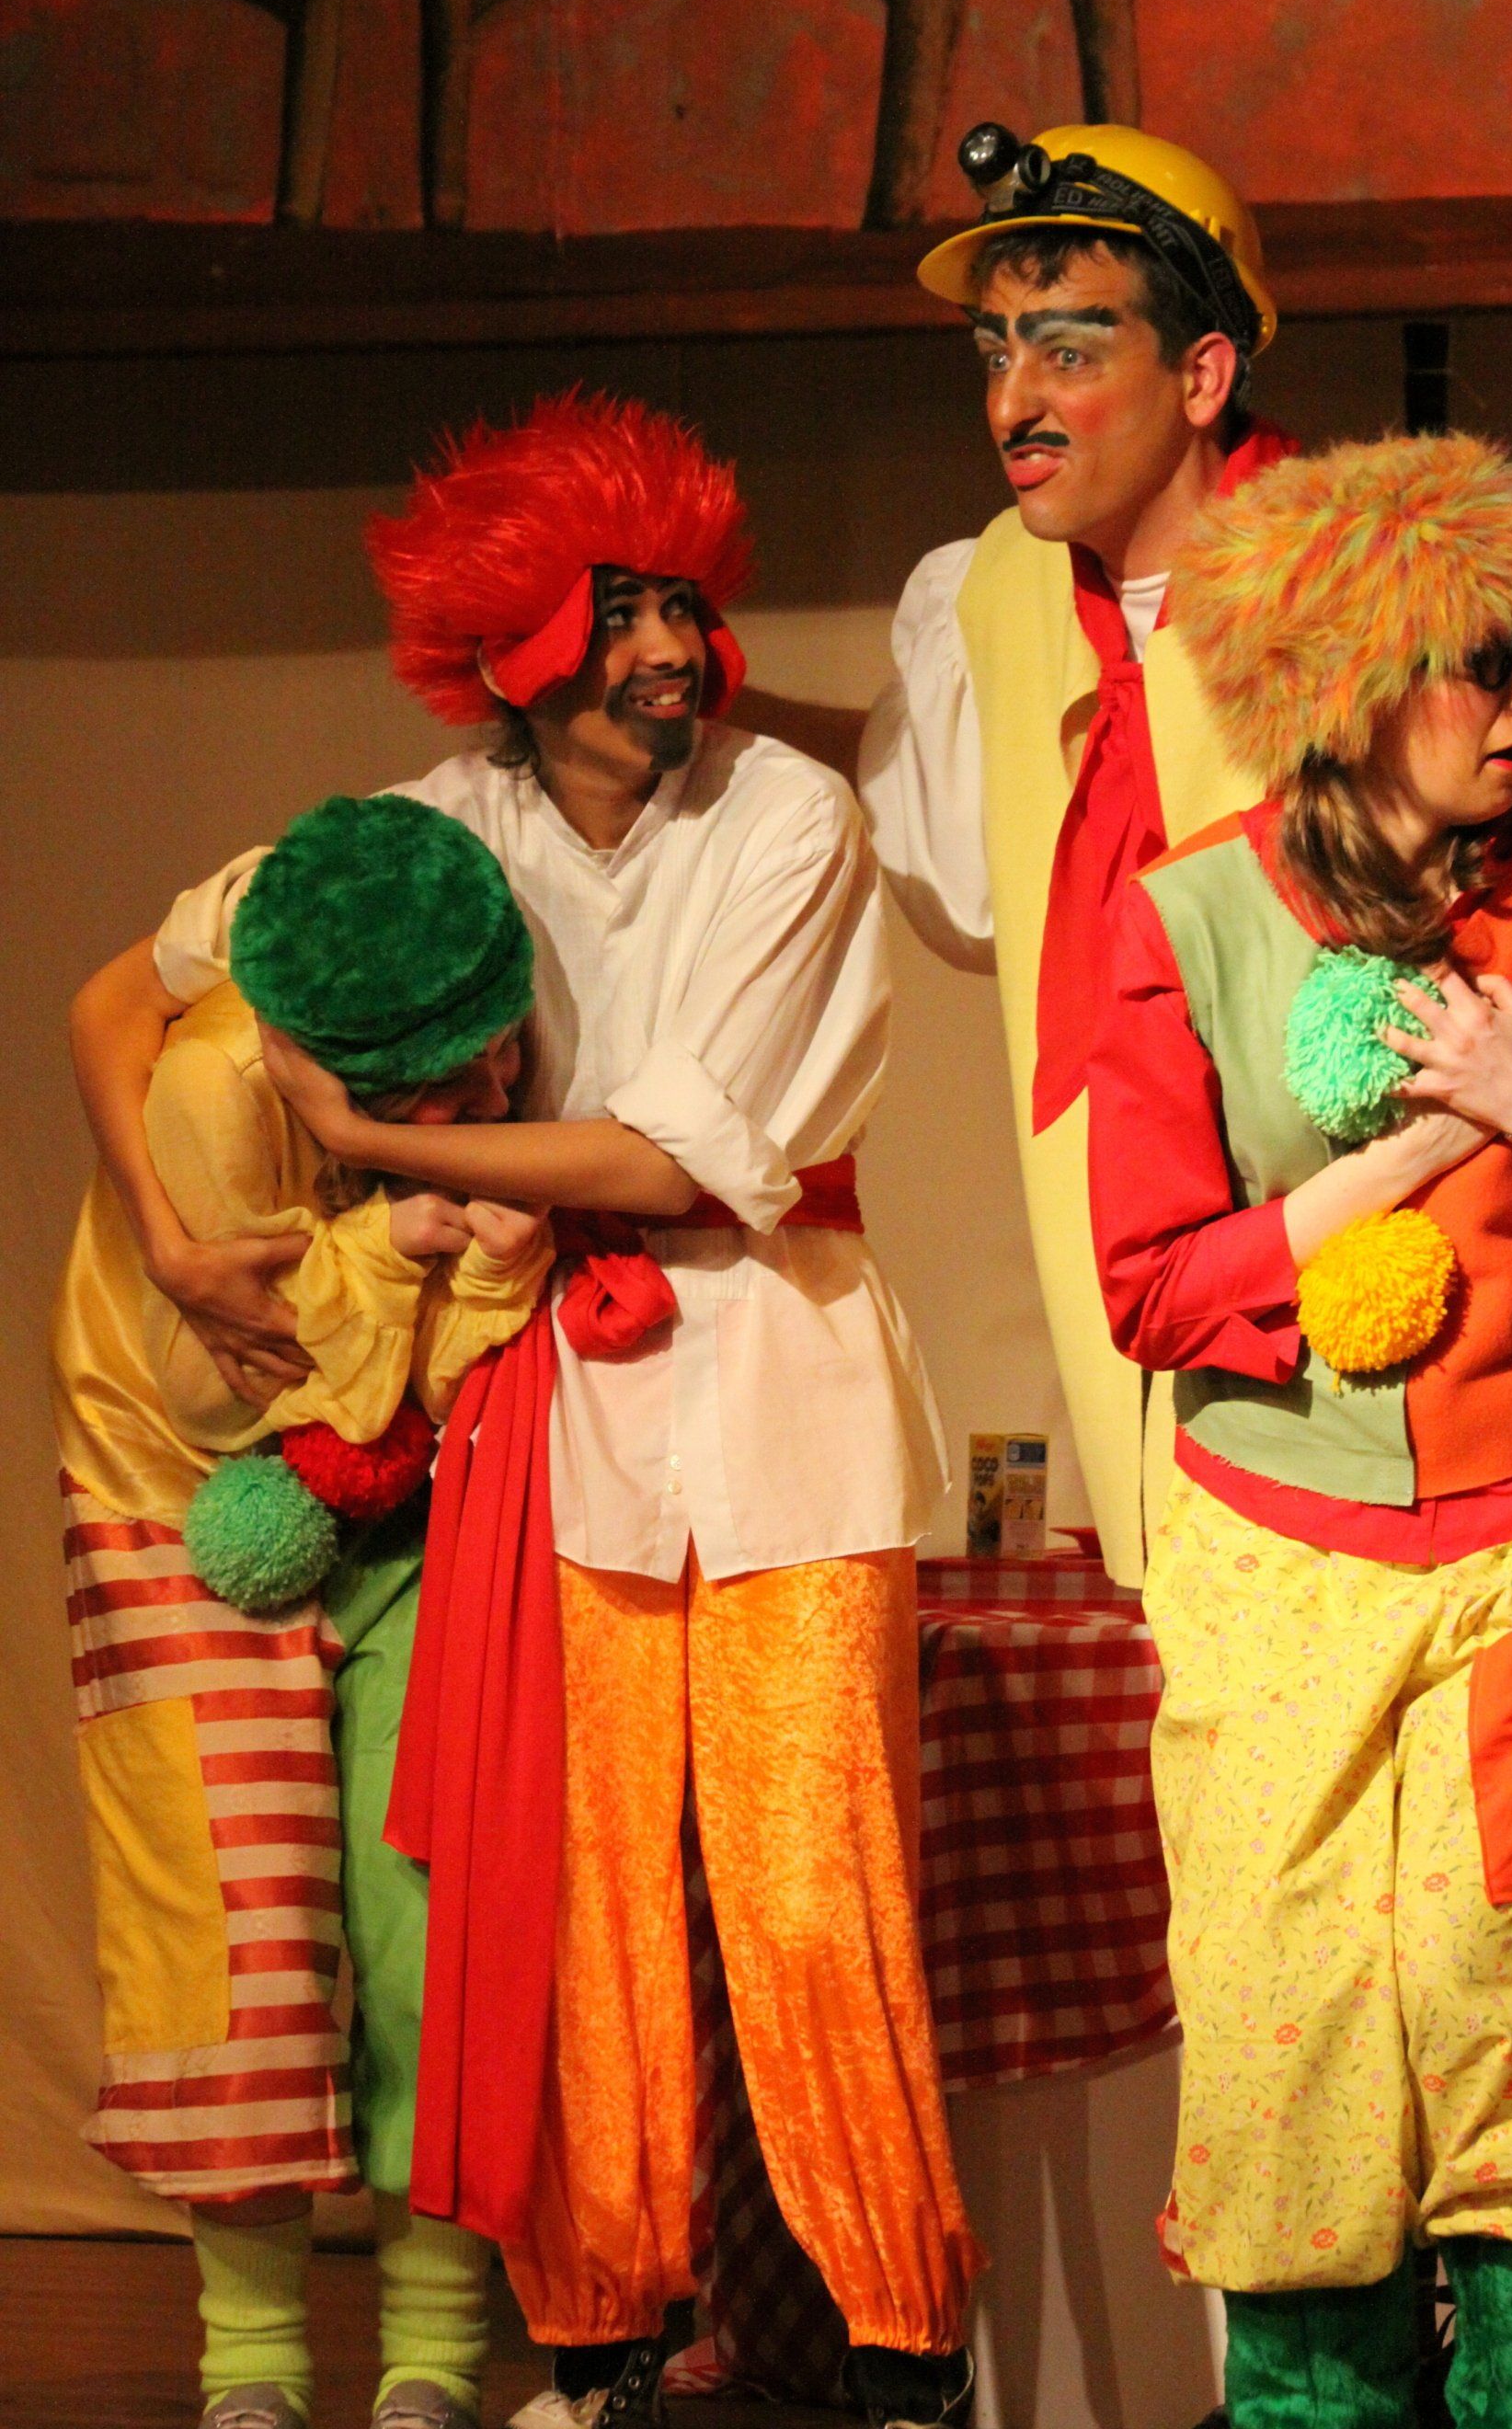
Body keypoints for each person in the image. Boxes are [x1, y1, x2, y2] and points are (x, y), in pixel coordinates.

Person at [74, 392, 981, 2429]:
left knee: (812, 1896)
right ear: (506, 645)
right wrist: (175, 1237)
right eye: (621, 610)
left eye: (683, 605)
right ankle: (595, 2342)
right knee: (583, 1905)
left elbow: (671, 1154)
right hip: (543, 1406)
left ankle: (901, 2348)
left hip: (783, 1394)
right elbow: (121, 994)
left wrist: (376, 1133)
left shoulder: (788, 817)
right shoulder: (432, 832)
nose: (672, 650)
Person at [1086, 432, 1512, 2427]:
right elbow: (1151, 1286)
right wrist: (1406, 1158)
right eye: (1481, 661)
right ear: (1351, 681)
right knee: (1291, 2022)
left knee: (1504, 1986)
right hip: (1279, 1534)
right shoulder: (1191, 915)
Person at [853, 120, 1512, 1584]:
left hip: (1432, 1330)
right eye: (994, 352)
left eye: (1069, 350)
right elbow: (970, 902)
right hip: (1144, 1254)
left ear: (1205, 374)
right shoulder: (986, 600)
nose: (1015, 402)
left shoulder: (1385, 574)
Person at [53, 793, 556, 2429]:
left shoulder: (378, 909)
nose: (492, 1099)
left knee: (430, 1930)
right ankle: (253, 2363)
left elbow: (440, 1352)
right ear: (318, 1062)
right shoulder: (215, 1084)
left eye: (498, 1055)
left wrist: (477, 1268)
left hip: (402, 1490)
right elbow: (229, 1388)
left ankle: (433, 2353)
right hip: (179, 1494)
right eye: (444, 1086)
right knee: (237, 1942)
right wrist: (390, 1245)